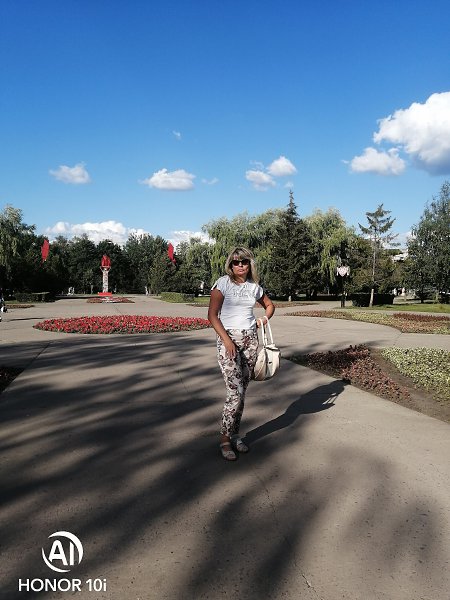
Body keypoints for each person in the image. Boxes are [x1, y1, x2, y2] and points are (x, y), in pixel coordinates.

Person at [208, 247, 275, 461]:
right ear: (230, 264)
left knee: (242, 392)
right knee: (234, 392)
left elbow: (269, 306)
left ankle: (235, 435)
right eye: (235, 262)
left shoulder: (254, 287)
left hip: (250, 340)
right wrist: (227, 340)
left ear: (249, 264)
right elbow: (212, 315)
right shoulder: (222, 283)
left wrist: (263, 319)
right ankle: (225, 439)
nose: (240, 265)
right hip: (228, 340)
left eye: (244, 261)